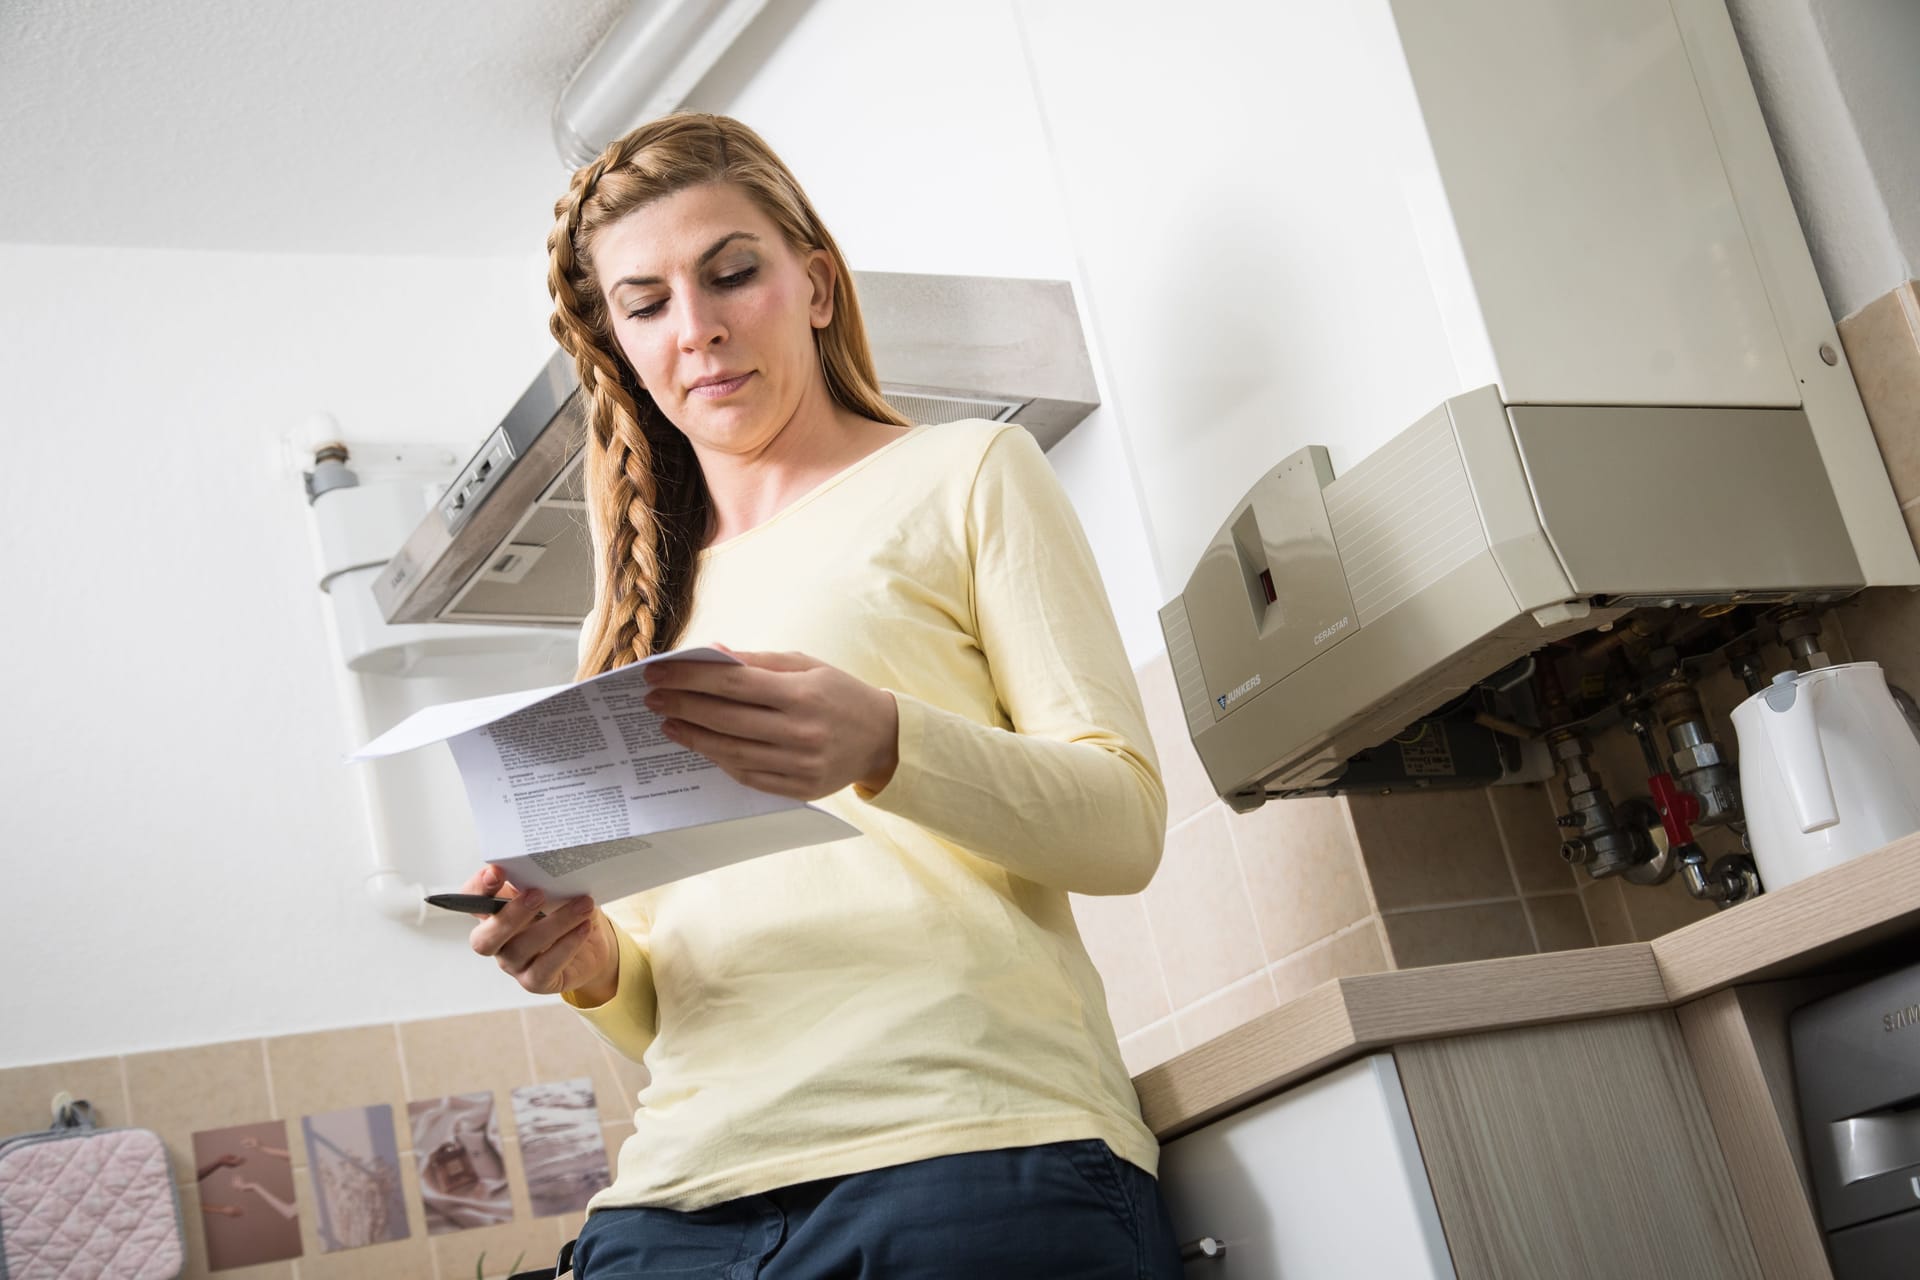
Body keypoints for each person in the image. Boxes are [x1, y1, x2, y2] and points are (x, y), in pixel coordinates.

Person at [460, 112, 1182, 1279]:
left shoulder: (966, 475)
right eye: (646, 305)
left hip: (971, 1152)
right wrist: (586, 959)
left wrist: (885, 738)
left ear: (817, 285)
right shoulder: (627, 623)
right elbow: (655, 998)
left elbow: (1123, 825)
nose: (696, 329)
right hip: (673, 1205)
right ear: (623, 347)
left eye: (731, 273)